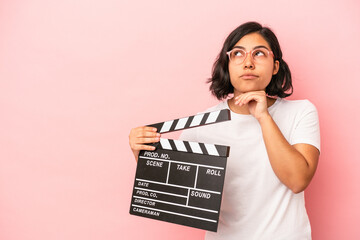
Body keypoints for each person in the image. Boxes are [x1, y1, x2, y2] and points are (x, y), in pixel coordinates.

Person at [128, 21, 320, 240]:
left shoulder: (301, 112)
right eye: (238, 54)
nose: (248, 63)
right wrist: (141, 151)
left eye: (259, 54)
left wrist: (264, 117)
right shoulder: (203, 124)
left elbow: (297, 180)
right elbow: (175, 191)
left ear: (275, 66)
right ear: (227, 65)